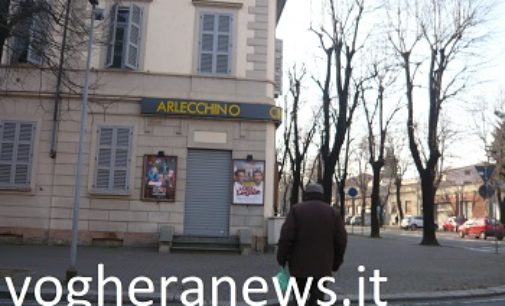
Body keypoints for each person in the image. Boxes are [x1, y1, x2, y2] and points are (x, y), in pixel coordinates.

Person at [277, 183, 347, 305]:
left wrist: (282, 258)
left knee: (300, 299)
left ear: (306, 195)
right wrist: (336, 262)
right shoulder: (333, 213)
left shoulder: (296, 210)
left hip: (299, 266)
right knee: (318, 299)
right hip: (323, 266)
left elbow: (286, 237)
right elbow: (341, 240)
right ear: (322, 195)